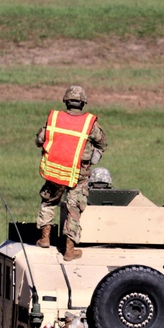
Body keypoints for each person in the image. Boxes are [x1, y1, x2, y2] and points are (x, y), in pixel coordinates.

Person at [35, 85, 108, 261]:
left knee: (49, 201)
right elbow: (102, 143)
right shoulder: (89, 124)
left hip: (55, 170)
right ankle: (69, 249)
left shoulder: (54, 119)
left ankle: (45, 238)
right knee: (73, 208)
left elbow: (40, 140)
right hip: (78, 174)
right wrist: (92, 159)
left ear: (66, 101)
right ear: (83, 103)